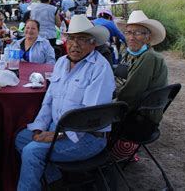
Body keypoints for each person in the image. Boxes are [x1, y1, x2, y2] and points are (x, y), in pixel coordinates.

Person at [15, 15, 113, 191]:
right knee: (21, 138)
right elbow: (48, 101)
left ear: (93, 43)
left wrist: (57, 135)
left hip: (88, 137)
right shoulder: (61, 62)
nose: (75, 44)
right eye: (72, 38)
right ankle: (55, 180)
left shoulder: (100, 68)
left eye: (82, 39)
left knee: (32, 151)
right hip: (57, 126)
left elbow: (90, 116)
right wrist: (39, 128)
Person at [112, 10, 168, 160]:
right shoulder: (129, 52)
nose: (131, 37)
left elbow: (130, 94)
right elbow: (119, 76)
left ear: (148, 37)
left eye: (137, 33)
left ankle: (111, 155)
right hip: (133, 111)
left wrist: (107, 103)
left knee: (91, 119)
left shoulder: (149, 57)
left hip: (140, 120)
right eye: (128, 32)